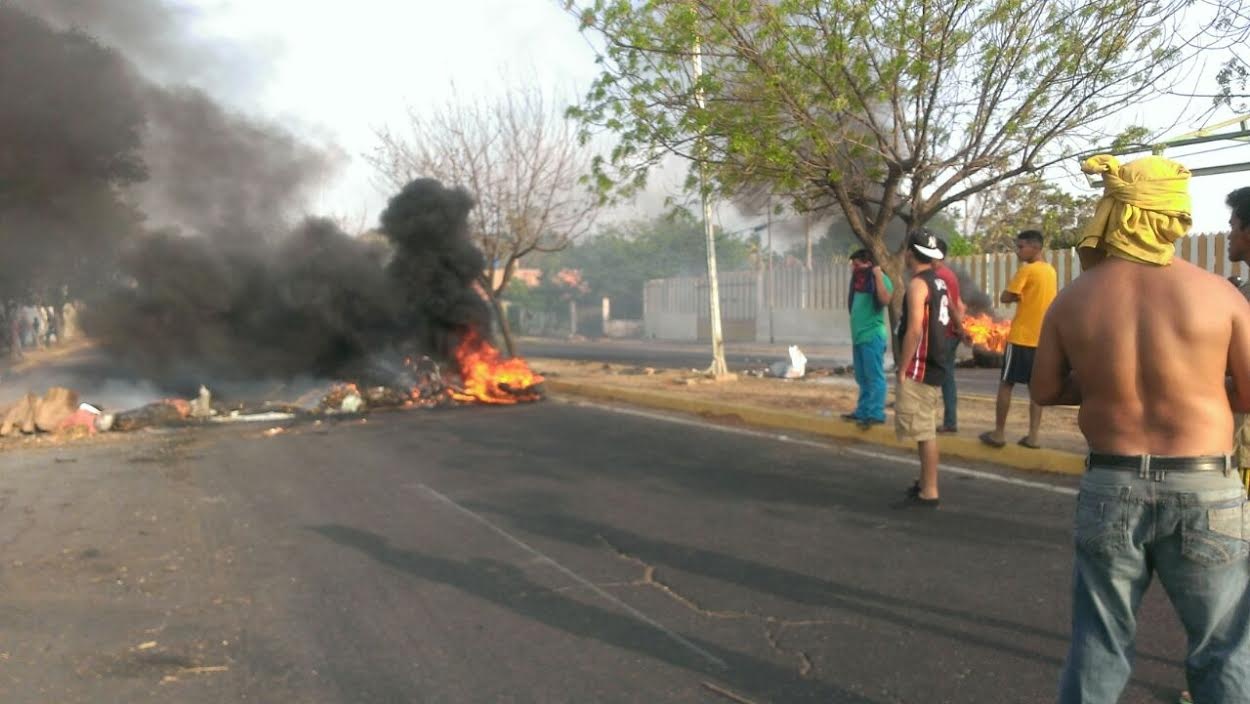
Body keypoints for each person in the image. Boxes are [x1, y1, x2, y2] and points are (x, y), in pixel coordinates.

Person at [1033, 154, 1250, 703]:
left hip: (1111, 486)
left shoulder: (1072, 299)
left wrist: (1107, 386)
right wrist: (1197, 387)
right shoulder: (1221, 295)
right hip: (1206, 489)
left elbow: (1044, 390)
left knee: (1100, 642)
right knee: (1221, 645)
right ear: (1169, 216)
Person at [980, 229, 1057, 450]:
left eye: (1021, 247)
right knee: (1036, 389)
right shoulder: (1050, 272)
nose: (1018, 251)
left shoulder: (1027, 270)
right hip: (1041, 339)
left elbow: (1005, 296)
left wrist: (1015, 295)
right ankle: (1033, 437)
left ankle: (999, 433)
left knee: (1006, 384)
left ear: (1035, 247)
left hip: (1021, 337)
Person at [895, 230, 951, 508]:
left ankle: (929, 491)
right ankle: (925, 485)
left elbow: (915, 329)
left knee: (924, 431)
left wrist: (902, 368)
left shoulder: (918, 285)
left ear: (909, 253)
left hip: (920, 366)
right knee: (923, 428)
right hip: (934, 364)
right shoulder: (938, 281)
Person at [843, 248, 893, 427]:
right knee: (862, 377)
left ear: (869, 264)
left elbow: (885, 299)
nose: (854, 269)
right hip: (859, 337)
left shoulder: (880, 280)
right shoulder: (859, 283)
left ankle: (876, 414)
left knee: (874, 377)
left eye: (857, 265)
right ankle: (863, 411)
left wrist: (878, 274)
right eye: (853, 265)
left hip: (872, 336)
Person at [933, 238, 967, 433]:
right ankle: (949, 421)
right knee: (946, 377)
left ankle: (950, 422)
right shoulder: (947, 275)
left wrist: (959, 329)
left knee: (943, 378)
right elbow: (961, 304)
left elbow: (953, 306)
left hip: (944, 334)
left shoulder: (939, 277)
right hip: (948, 333)